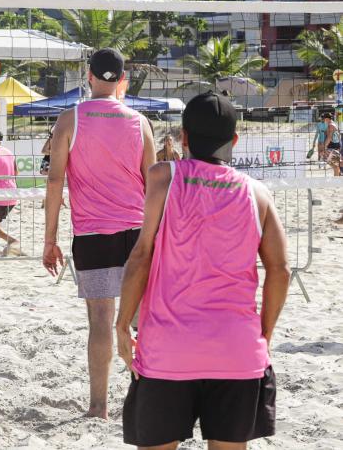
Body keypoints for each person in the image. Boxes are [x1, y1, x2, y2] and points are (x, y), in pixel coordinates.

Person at [116, 91, 289, 449]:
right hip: (237, 348)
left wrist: (121, 324)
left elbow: (141, 257)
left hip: (169, 349)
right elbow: (281, 269)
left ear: (184, 137)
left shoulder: (163, 177)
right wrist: (264, 334)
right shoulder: (258, 194)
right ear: (235, 140)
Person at [42, 48, 156, 419]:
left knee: (101, 321)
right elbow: (155, 184)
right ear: (122, 80)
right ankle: (147, 397)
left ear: (88, 76)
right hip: (137, 231)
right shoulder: (140, 122)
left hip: (93, 235)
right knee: (144, 319)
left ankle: (99, 407)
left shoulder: (69, 120)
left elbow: (56, 181)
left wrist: (49, 239)